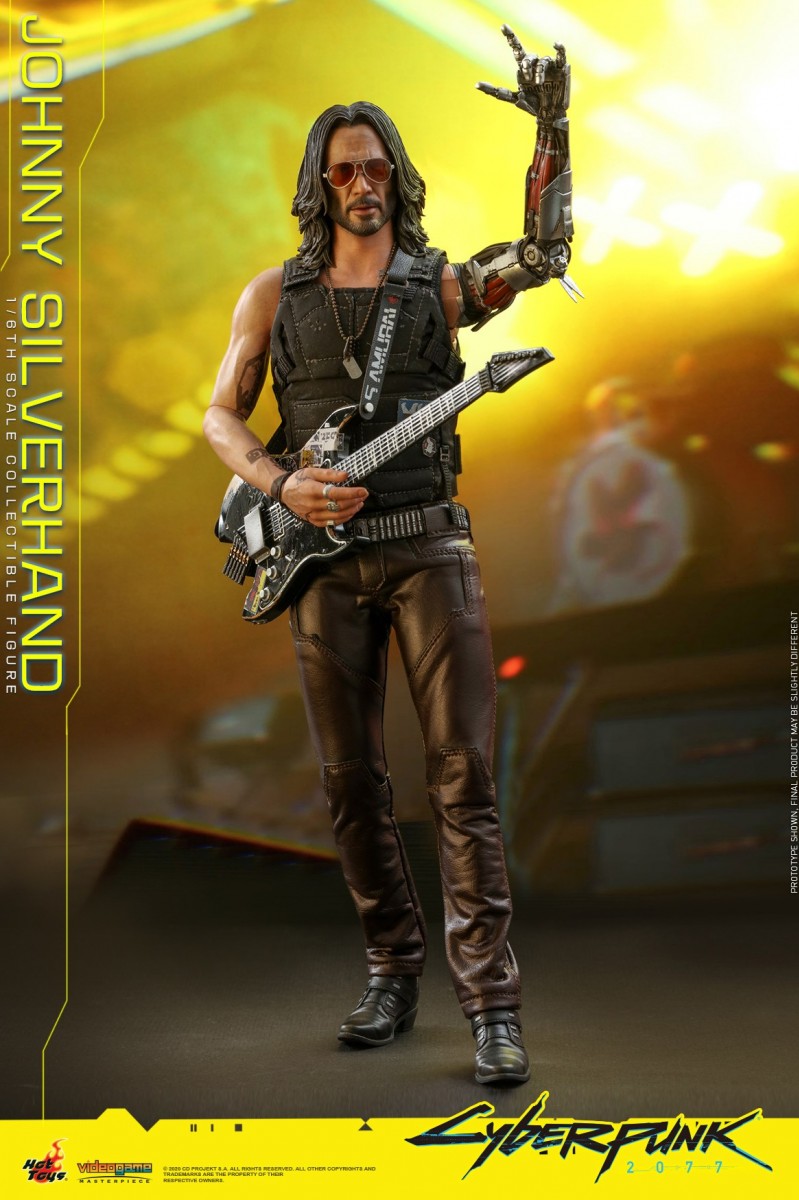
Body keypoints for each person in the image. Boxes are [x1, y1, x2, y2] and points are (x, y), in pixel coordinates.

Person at [204, 28, 577, 1086]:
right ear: (318, 185)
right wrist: (278, 485)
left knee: (464, 777)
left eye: (375, 168)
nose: (361, 184)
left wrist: (552, 130)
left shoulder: (442, 289)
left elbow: (544, 254)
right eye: (343, 172)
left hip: (428, 550)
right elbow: (220, 417)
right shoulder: (271, 295)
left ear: (397, 176)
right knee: (349, 783)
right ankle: (389, 972)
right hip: (319, 565)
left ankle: (492, 1006)